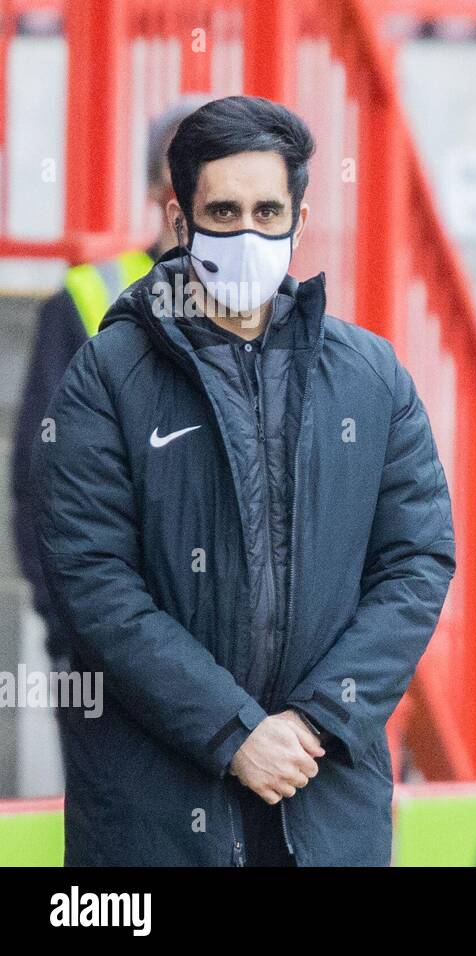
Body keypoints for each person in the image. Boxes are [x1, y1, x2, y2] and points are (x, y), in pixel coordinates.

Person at [34, 95, 456, 866]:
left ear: (300, 215)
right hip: (154, 807)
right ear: (180, 218)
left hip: (324, 793)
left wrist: (319, 720)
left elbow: (417, 561)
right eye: (223, 211)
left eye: (269, 210)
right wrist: (233, 732)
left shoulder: (370, 377)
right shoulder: (108, 375)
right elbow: (92, 580)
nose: (248, 233)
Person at [11, 100, 201, 754]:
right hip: (109, 660)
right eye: (185, 169)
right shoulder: (90, 299)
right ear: (154, 187)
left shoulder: (280, 314)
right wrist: (69, 633)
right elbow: (41, 481)